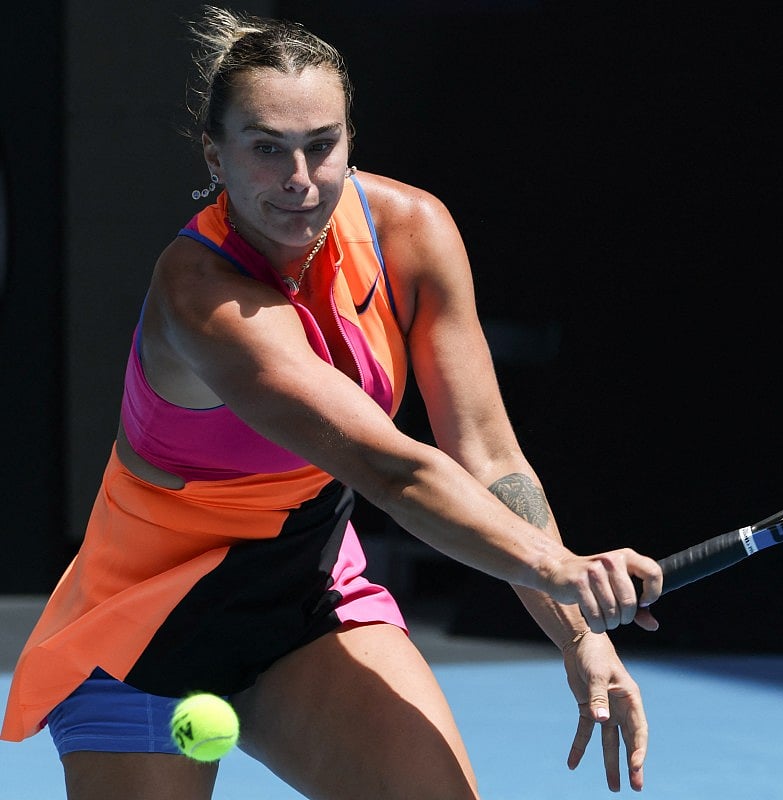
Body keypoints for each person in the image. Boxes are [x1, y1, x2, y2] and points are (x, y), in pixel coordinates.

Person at [0, 6, 663, 799]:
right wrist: (562, 569)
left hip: (307, 596)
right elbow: (392, 471)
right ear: (216, 154)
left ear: (351, 139)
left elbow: (487, 455)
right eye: (266, 148)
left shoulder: (412, 232)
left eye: (322, 145)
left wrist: (578, 633)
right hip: (146, 624)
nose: (299, 179)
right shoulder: (200, 296)